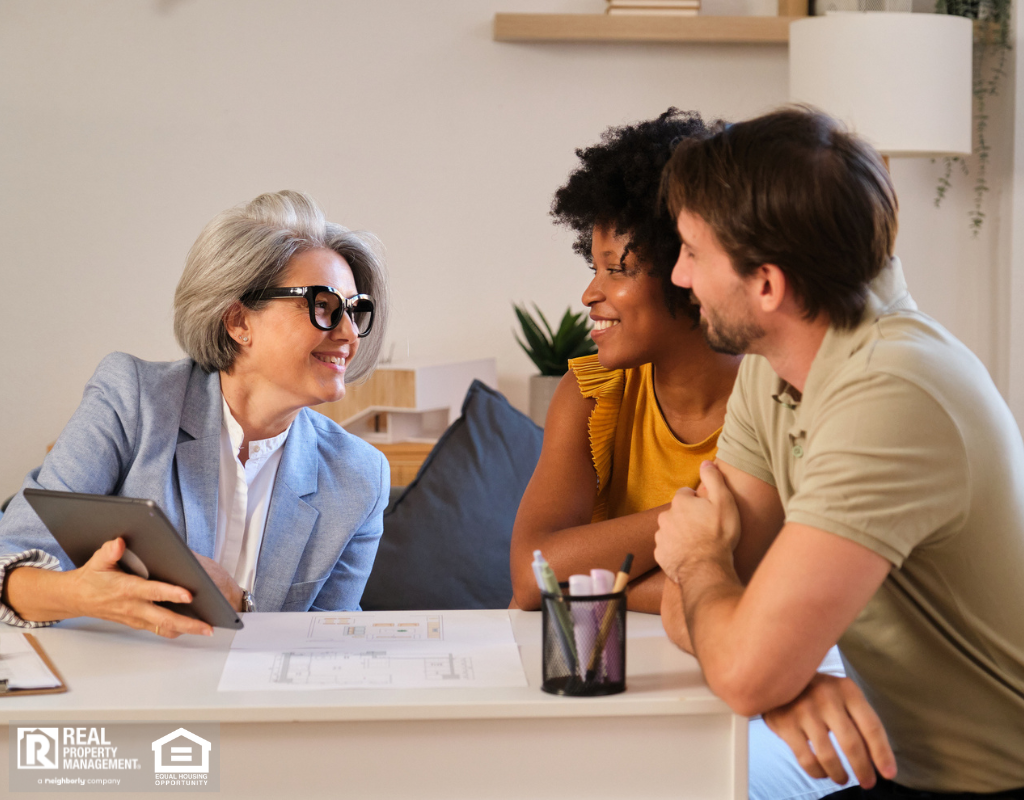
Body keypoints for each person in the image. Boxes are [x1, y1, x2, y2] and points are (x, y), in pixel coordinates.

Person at [654, 106, 1024, 797]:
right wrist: (782, 686)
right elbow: (695, 617)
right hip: (908, 775)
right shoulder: (776, 363)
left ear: (767, 284)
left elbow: (709, 594)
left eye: (692, 253)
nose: (679, 277)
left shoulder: (893, 391)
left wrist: (703, 566)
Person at [510, 110, 854, 800]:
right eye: (594, 265)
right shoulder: (589, 395)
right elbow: (530, 576)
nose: (591, 293)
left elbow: (768, 612)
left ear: (690, 271)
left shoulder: (784, 404)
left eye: (620, 269)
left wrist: (603, 584)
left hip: (766, 690)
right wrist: (694, 519)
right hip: (639, 685)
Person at [0, 190, 391, 637]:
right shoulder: (134, 400)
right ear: (238, 321)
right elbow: (9, 558)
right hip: (118, 693)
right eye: (323, 306)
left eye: (354, 311)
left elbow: (328, 642)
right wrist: (86, 594)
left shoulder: (360, 475)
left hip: (260, 705)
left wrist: (241, 605)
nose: (347, 334)